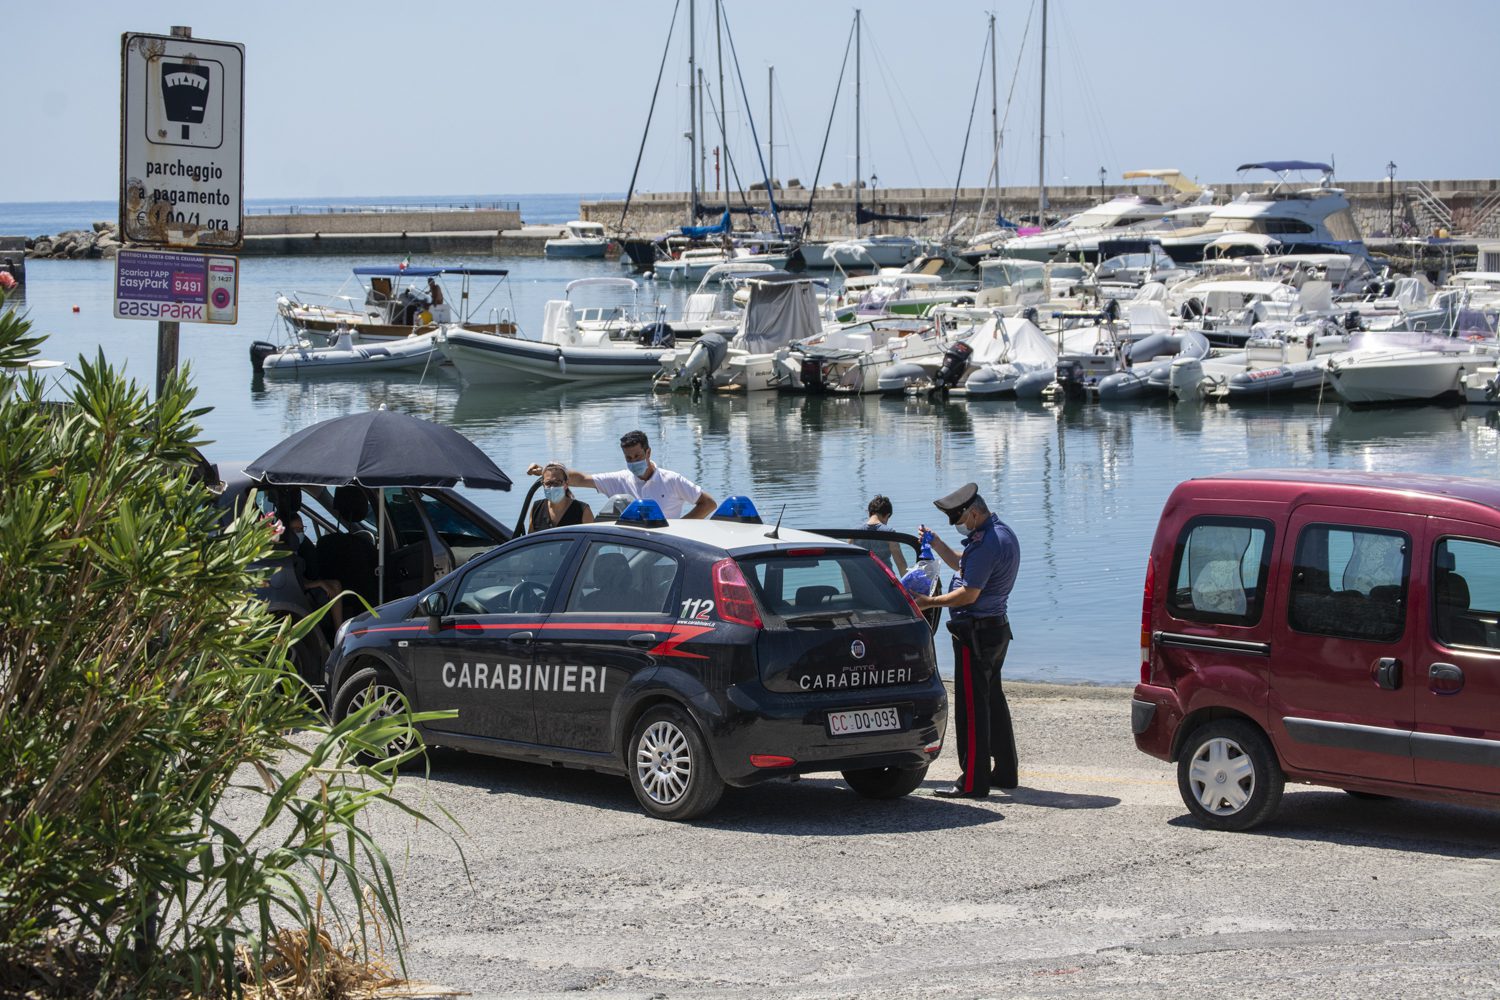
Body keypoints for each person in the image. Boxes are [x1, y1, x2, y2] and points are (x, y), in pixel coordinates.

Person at [913, 482, 1021, 799]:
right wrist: (936, 542)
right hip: (995, 629)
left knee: (972, 710)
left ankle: (973, 782)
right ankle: (1004, 771)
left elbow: (969, 593)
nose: (959, 524)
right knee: (993, 703)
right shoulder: (999, 533)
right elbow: (965, 563)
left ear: (974, 513)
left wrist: (930, 602)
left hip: (976, 632)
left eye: (960, 519)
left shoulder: (987, 542)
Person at [527, 430, 716, 519]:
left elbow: (708, 503)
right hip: (631, 553)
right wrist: (548, 471)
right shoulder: (619, 480)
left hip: (667, 552)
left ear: (648, 453)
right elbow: (582, 479)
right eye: (629, 458)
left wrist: (680, 528)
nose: (633, 461)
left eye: (637, 456)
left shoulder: (672, 480)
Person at [529, 461, 595, 532]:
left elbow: (592, 539)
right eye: (548, 483)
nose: (552, 487)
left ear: (566, 484)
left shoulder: (583, 511)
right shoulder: (536, 508)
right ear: (543, 484)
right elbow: (529, 540)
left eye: (557, 483)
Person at [856, 495, 907, 574]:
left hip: (862, 582)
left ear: (869, 513)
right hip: (886, 582)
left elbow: (846, 567)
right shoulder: (890, 533)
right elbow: (901, 564)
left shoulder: (854, 534)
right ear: (887, 515)